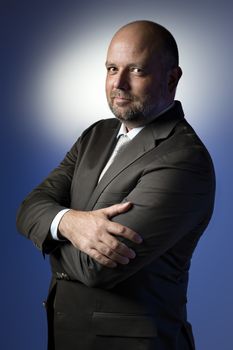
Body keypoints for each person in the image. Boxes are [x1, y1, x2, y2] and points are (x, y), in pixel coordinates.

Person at [16, 20, 215, 350]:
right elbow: (28, 207)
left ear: (171, 78)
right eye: (112, 68)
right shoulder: (97, 134)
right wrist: (69, 222)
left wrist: (48, 227)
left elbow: (98, 268)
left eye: (136, 70)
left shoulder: (183, 159)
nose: (118, 83)